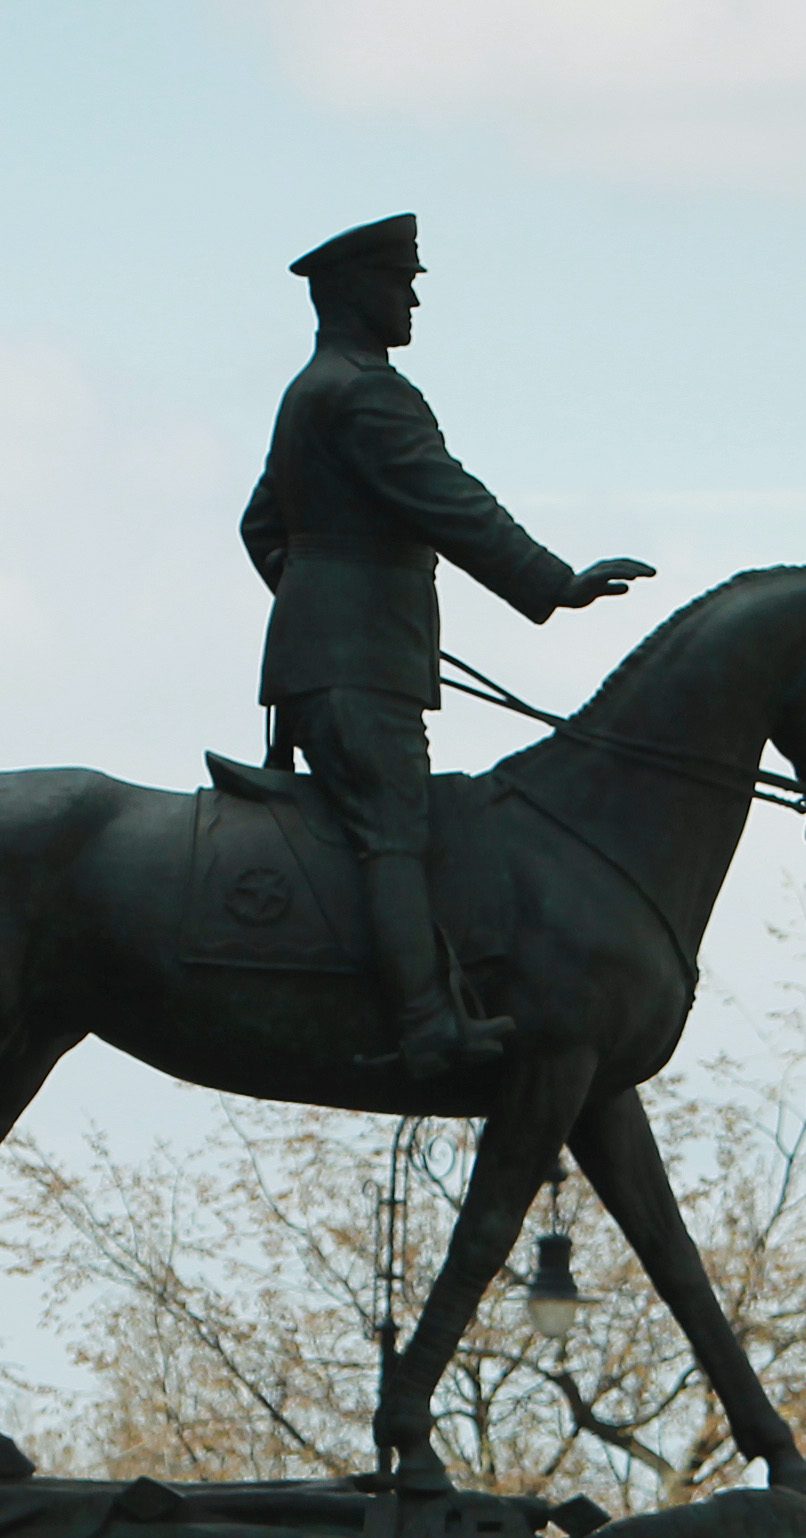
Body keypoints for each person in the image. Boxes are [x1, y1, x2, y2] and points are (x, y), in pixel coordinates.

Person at [240, 213, 654, 1084]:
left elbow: (261, 526)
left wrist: (316, 601)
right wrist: (552, 582)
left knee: (385, 822)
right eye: (403, 282)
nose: (415, 296)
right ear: (357, 291)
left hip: (330, 655)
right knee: (395, 828)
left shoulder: (308, 390)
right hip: (359, 663)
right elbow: (449, 502)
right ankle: (429, 1026)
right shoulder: (367, 393)